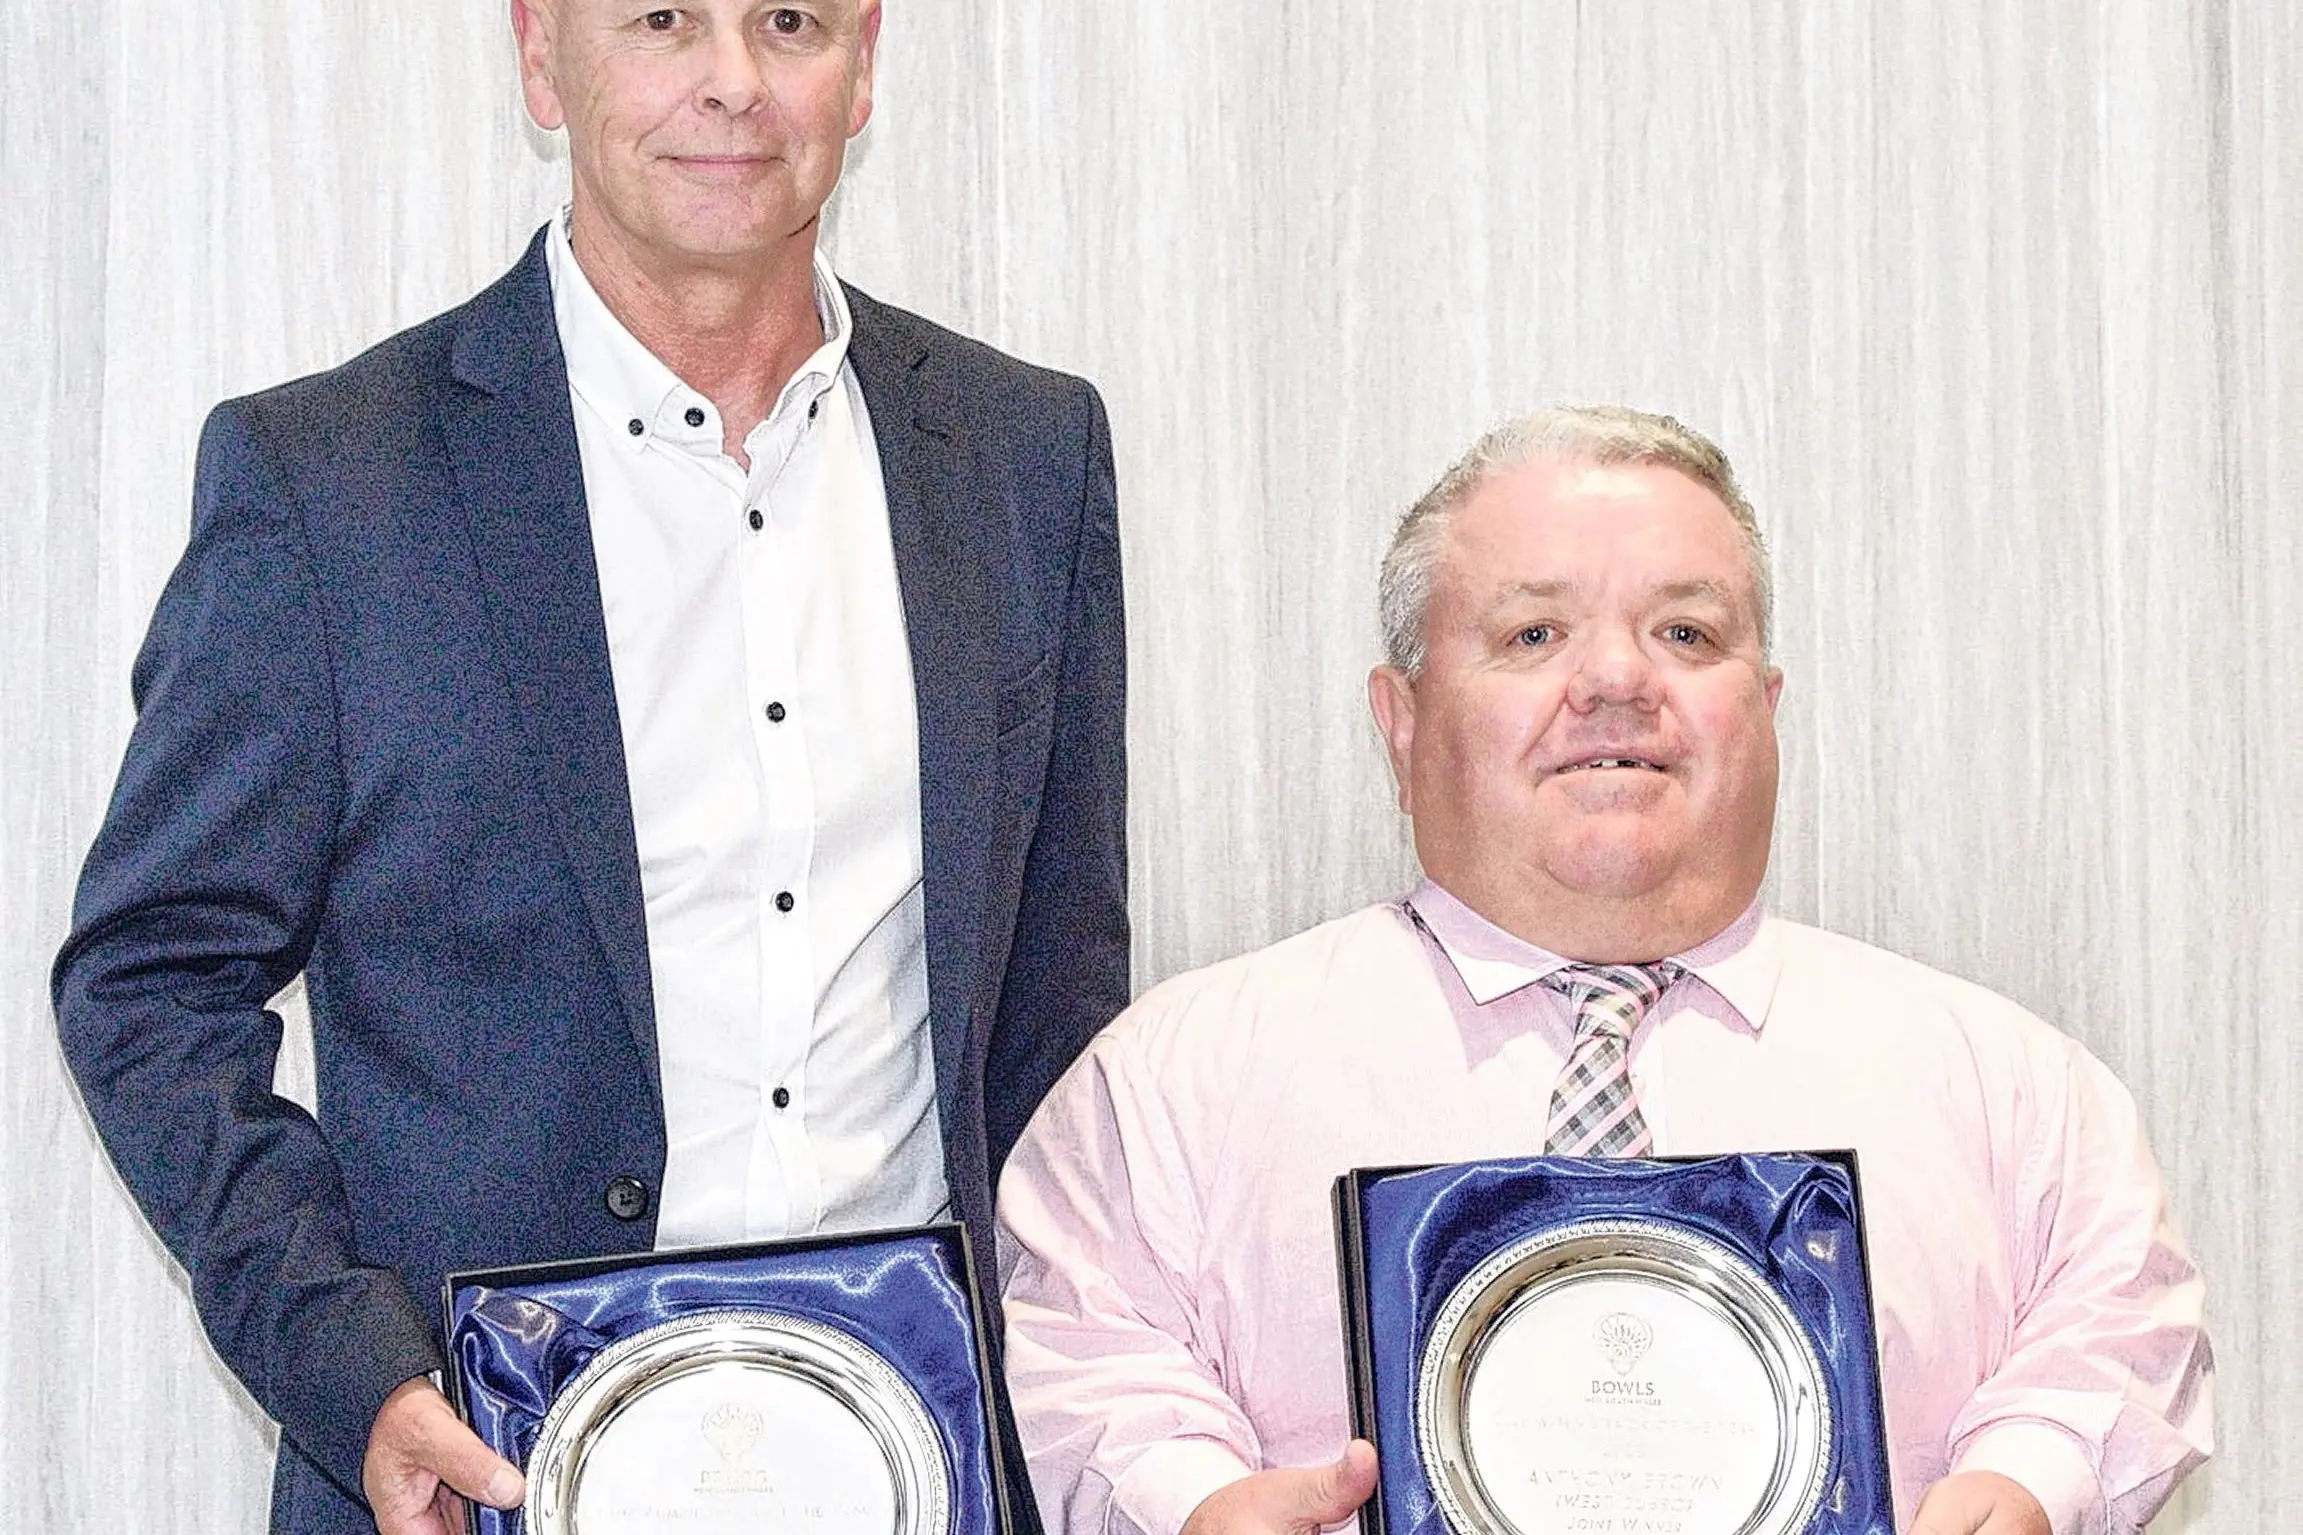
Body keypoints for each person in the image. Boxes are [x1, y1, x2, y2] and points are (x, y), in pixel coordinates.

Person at [51, 4, 1127, 1533]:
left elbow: (1057, 994)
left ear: (866, 63)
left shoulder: (1024, 455)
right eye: (660, 18)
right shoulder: (328, 479)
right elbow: (151, 981)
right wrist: (349, 1364)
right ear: (541, 58)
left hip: (918, 1455)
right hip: (481, 1466)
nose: (733, 82)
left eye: (792, 21)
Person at [997, 407, 2209, 1535]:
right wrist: (1196, 1500)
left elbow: (2117, 1328)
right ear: (1401, 719)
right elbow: (1086, 1351)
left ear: (1766, 706)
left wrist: (2026, 1477)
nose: (1619, 682)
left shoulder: (2018, 1093)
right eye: (1532, 633)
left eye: (1686, 632)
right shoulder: (1170, 1084)